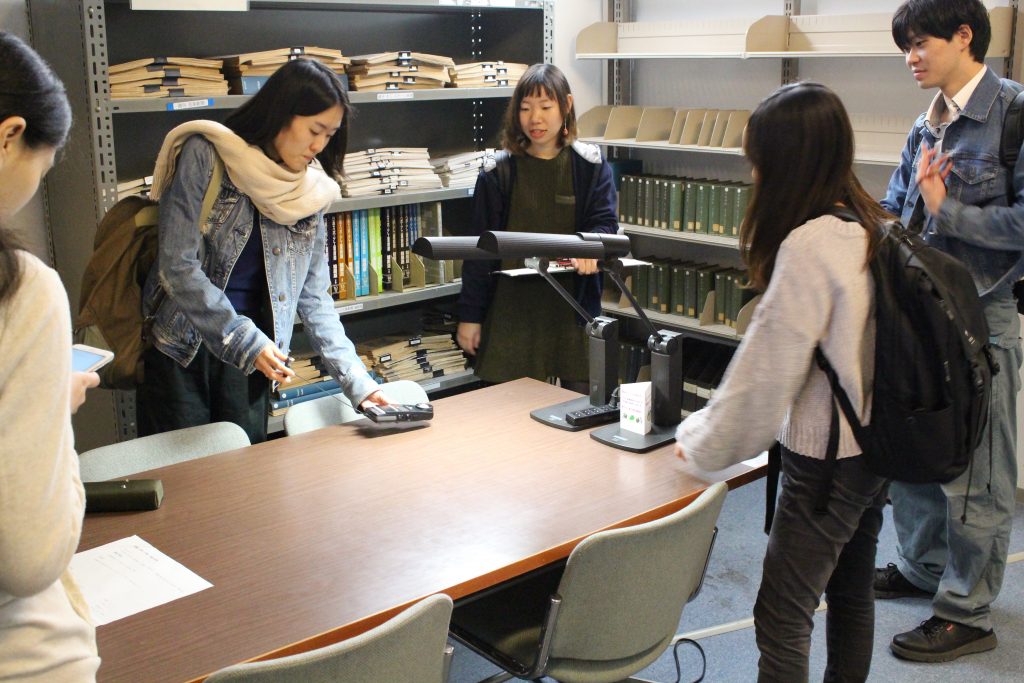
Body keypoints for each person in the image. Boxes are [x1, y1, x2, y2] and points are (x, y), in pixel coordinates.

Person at [675, 82, 892, 682]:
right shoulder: (870, 222)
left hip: (827, 460)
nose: (753, 175)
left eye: (759, 161)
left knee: (781, 615)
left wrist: (699, 443)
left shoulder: (810, 245)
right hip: (876, 448)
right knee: (850, 590)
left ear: (786, 163)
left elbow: (763, 382)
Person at [876, 0, 1023, 663]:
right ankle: (922, 566)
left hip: (982, 319)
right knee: (915, 449)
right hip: (919, 314)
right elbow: (896, 205)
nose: (911, 58)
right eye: (905, 47)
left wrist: (949, 210)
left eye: (920, 43)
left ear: (965, 36)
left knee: (978, 470)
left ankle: (966, 611)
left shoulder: (1014, 115)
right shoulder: (926, 123)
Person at [137, 58, 386, 443]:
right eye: (314, 130)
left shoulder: (311, 190)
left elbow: (314, 298)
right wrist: (243, 338)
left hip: (255, 358)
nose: (319, 145)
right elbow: (177, 266)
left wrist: (359, 383)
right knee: (184, 475)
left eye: (330, 134)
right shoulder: (206, 153)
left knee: (243, 473)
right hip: (182, 348)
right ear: (281, 113)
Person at [0, 30, 101, 681]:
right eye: (43, 167)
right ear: (9, 135)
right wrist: (48, 409)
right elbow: (29, 558)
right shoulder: (20, 290)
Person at [456, 63, 618, 389]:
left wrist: (591, 246)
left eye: (545, 107)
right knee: (506, 408)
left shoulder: (590, 167)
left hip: (572, 307)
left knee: (580, 406)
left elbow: (605, 223)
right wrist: (470, 316)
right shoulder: (497, 172)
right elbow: (478, 253)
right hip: (510, 309)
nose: (535, 119)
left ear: (566, 106)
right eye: (526, 108)